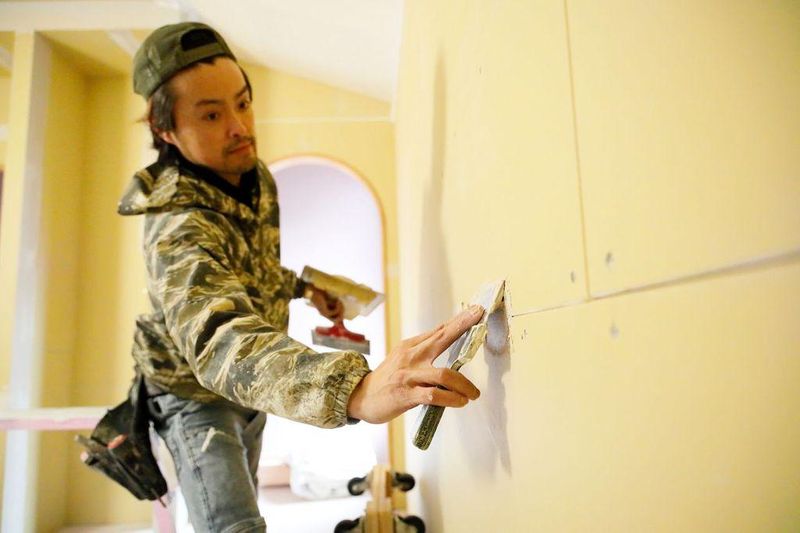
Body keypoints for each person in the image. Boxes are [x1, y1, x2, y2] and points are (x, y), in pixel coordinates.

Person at [119, 22, 483, 532]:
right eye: (212, 114)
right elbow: (217, 339)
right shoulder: (176, 225)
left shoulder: (254, 177)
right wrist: (355, 389)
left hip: (247, 390)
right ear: (166, 130)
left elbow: (249, 267)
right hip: (193, 394)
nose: (239, 127)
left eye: (243, 103)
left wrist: (307, 290)